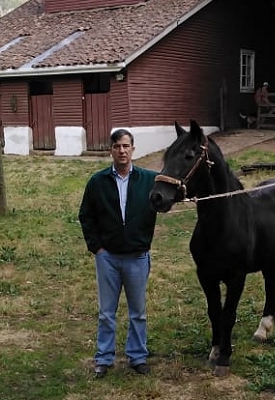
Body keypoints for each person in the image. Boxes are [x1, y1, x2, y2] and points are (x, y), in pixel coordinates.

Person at [78, 129, 159, 379]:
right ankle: (104, 358)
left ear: (133, 149)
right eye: (117, 147)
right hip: (108, 258)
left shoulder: (150, 180)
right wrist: (97, 248)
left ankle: (137, 356)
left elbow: (174, 194)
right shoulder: (98, 181)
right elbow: (86, 216)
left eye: (126, 146)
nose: (122, 151)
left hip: (137, 257)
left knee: (138, 312)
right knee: (106, 312)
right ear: (111, 150)